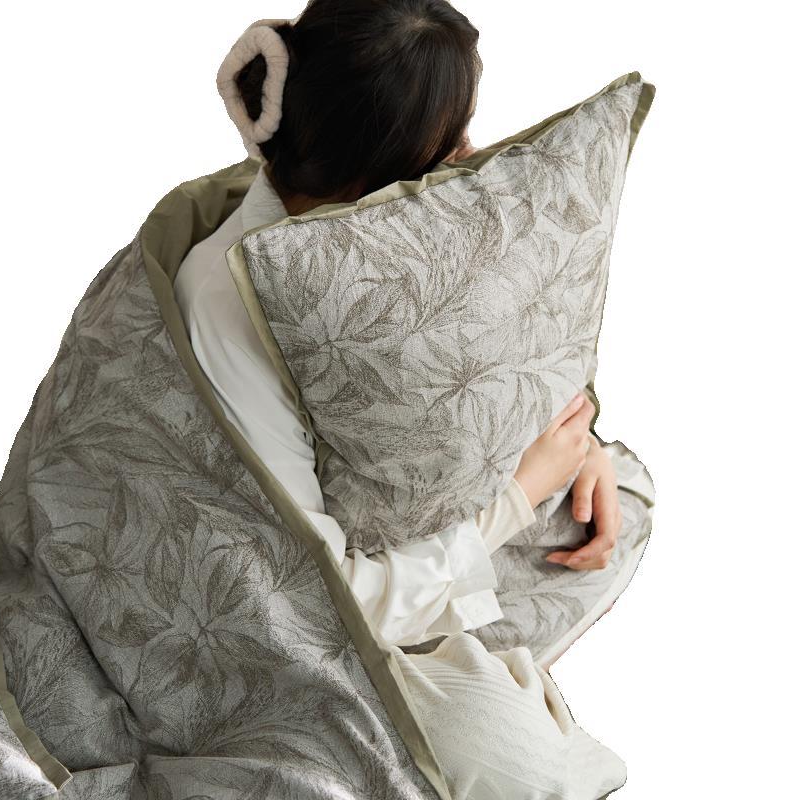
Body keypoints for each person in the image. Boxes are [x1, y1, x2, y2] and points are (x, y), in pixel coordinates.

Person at [176, 2, 629, 797]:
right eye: (450, 142)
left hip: (419, 547)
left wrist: (575, 442)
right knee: (520, 765)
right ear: (379, 163)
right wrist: (519, 494)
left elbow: (495, 349)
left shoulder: (393, 239)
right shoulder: (232, 299)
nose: (472, 157)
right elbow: (310, 608)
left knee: (621, 505)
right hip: (315, 616)